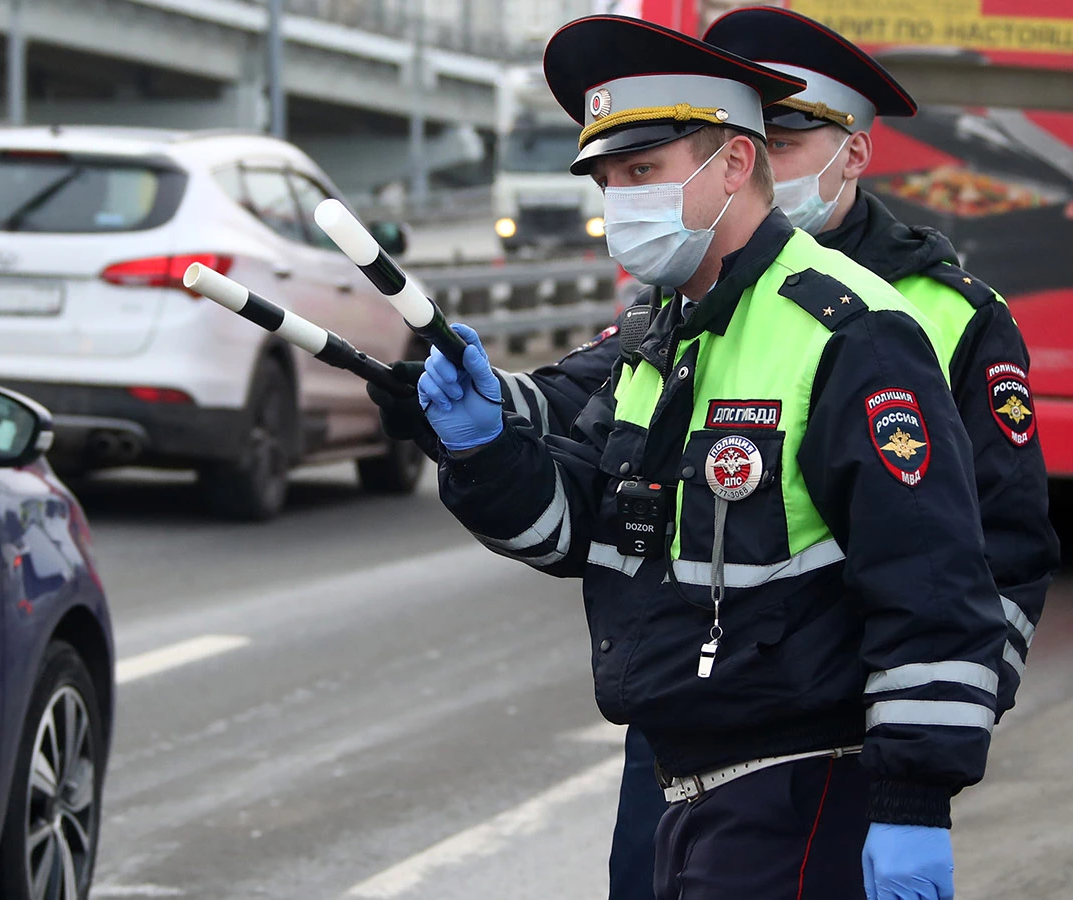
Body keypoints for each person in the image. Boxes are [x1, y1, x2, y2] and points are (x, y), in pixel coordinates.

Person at [413, 16, 1007, 900]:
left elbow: (930, 582)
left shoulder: (850, 332)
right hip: (684, 783)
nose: (621, 200)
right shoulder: (664, 330)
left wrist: (912, 800)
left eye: (644, 172)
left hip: (802, 786)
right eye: (609, 178)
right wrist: (485, 452)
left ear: (734, 164)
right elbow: (594, 534)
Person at [702, 4, 1058, 722]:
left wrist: (939, 720)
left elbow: (1006, 548)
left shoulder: (956, 313)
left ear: (855, 157)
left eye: (782, 145)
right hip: (685, 723)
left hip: (843, 730)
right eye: (741, 148)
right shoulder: (692, 295)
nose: (755, 173)